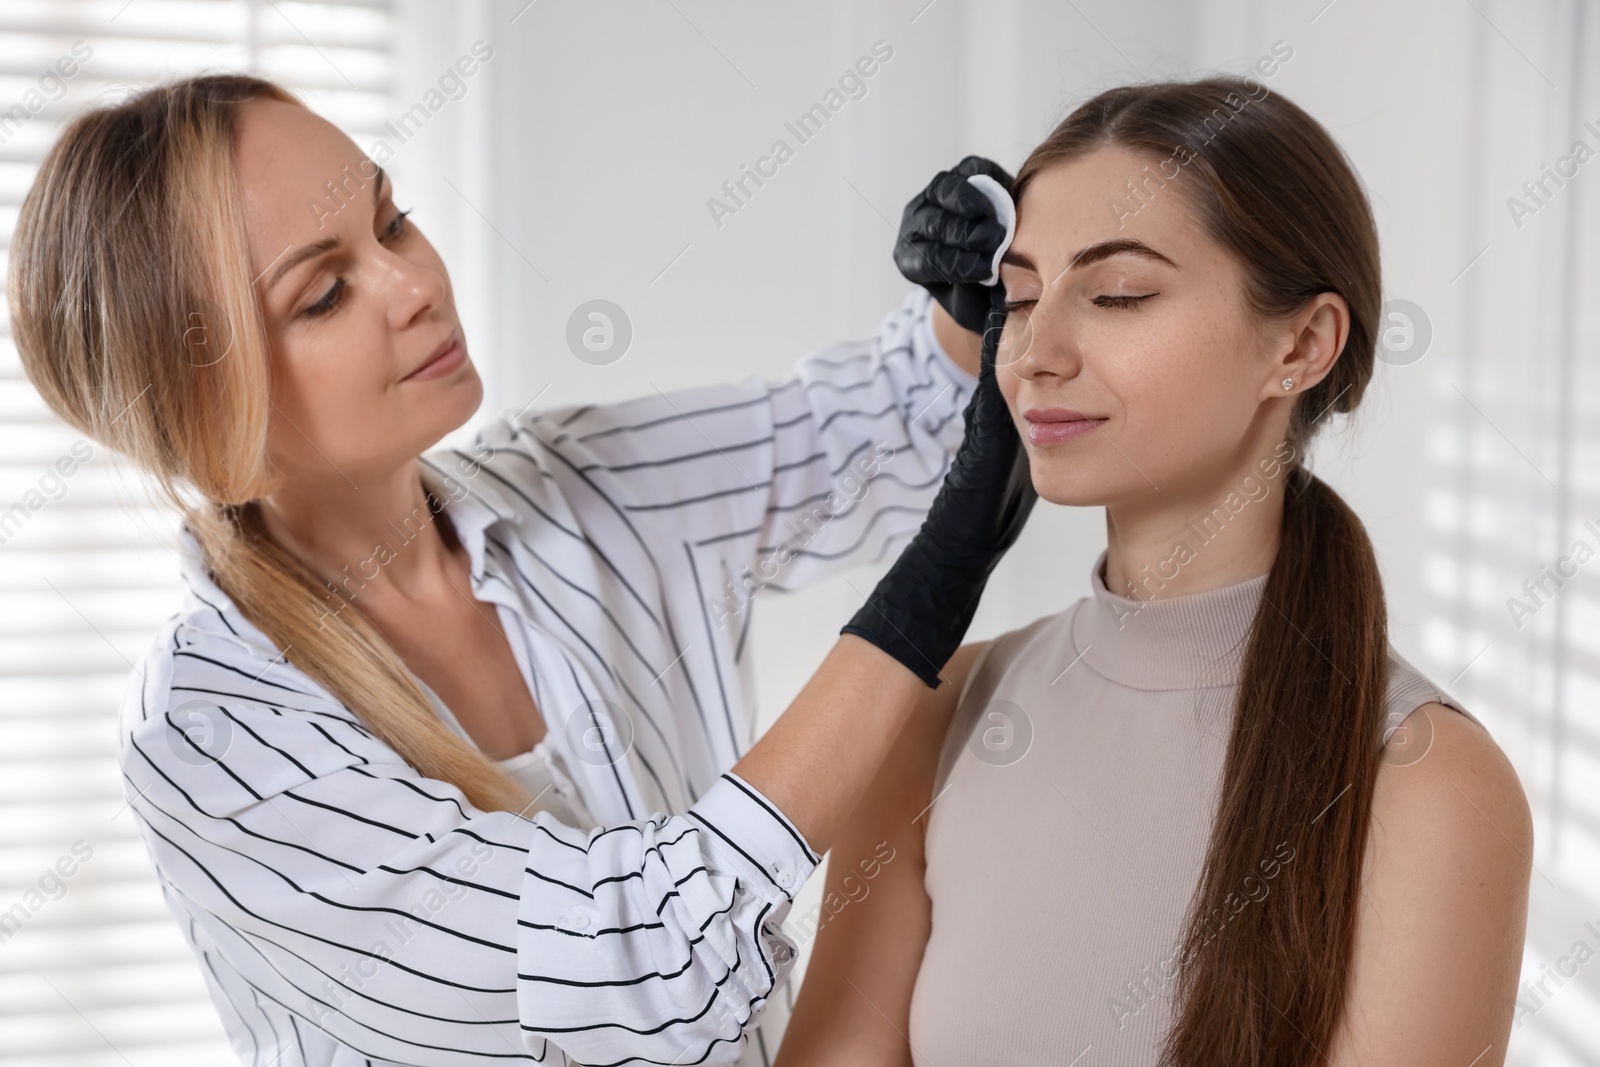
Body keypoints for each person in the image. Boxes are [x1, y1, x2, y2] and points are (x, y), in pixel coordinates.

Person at [6, 73, 1034, 1067]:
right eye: (323, 293)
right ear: (201, 404)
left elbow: (894, 427)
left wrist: (963, 291)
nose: (415, 284)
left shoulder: (572, 484)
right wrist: (917, 612)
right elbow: (630, 962)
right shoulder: (214, 731)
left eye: (394, 220)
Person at [779, 77, 1532, 1067]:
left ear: (1300, 344)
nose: (1035, 353)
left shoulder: (1427, 782)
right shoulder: (936, 717)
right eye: (1020, 298)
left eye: (1118, 293)